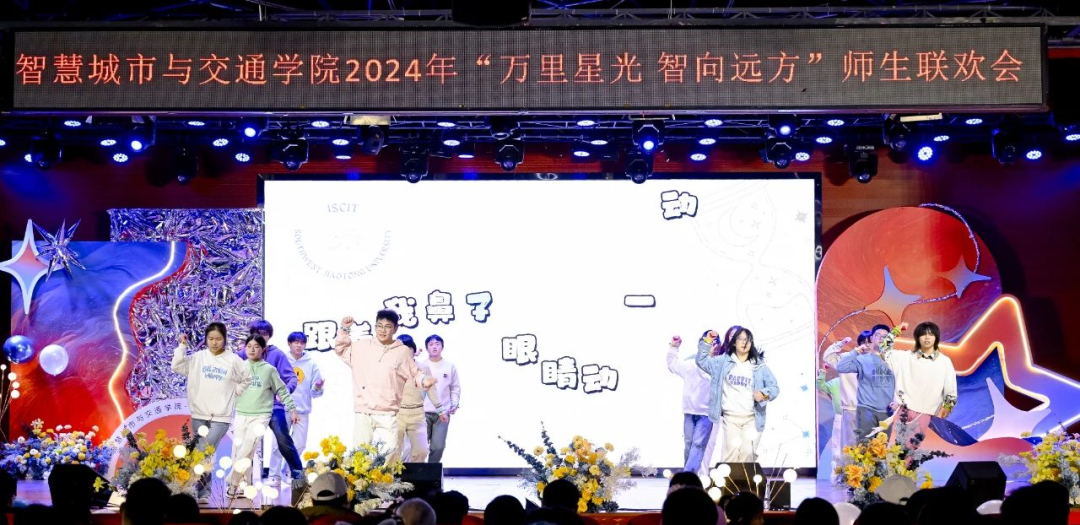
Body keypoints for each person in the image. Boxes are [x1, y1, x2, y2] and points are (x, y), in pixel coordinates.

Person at [335, 310, 437, 452]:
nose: (383, 330)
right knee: (359, 453)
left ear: (395, 329)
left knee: (390, 451)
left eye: (388, 326)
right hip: (363, 409)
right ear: (375, 327)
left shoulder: (402, 351)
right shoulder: (361, 346)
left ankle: (388, 467)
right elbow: (341, 349)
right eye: (379, 326)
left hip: (388, 411)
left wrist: (424, 380)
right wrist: (344, 329)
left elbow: (414, 373)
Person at [171, 323, 250, 501]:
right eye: (211, 339)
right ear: (206, 339)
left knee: (203, 451)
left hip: (221, 417)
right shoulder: (198, 358)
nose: (214, 342)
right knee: (205, 454)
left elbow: (247, 379)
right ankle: (203, 492)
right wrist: (182, 346)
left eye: (218, 339)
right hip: (199, 415)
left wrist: (235, 392)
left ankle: (189, 488)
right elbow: (177, 366)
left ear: (225, 339)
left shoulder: (233, 360)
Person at [228, 334, 298, 497]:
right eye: (249, 346)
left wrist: (292, 409)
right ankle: (245, 486)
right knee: (239, 450)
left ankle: (232, 481)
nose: (252, 350)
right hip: (241, 414)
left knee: (247, 448)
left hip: (261, 415)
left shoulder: (269, 370)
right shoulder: (239, 367)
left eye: (256, 347)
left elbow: (282, 390)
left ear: (263, 349)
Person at [696, 326, 779, 462]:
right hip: (731, 418)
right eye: (740, 339)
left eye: (748, 339)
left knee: (747, 453)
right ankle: (728, 477)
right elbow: (702, 361)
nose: (744, 342)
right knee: (730, 455)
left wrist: (764, 394)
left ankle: (745, 476)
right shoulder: (722, 362)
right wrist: (707, 340)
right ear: (734, 342)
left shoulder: (759, 366)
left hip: (752, 418)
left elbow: (774, 388)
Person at [243, 320, 306, 488]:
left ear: (269, 336)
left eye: (264, 333)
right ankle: (241, 482)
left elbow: (291, 377)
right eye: (257, 333)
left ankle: (299, 478)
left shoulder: (276, 355)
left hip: (273, 407)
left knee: (284, 440)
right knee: (245, 445)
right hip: (250, 408)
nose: (261, 336)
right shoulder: (244, 354)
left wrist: (284, 393)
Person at [267, 331, 325, 487]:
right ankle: (273, 475)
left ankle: (287, 470)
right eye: (295, 342)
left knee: (299, 444)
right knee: (277, 444)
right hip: (282, 408)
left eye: (302, 342)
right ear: (289, 344)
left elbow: (315, 391)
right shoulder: (282, 359)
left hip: (302, 409)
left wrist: (318, 387)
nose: (299, 345)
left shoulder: (311, 363)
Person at [881, 322, 958, 433]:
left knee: (915, 442)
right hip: (903, 410)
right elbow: (884, 351)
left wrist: (947, 407)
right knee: (899, 442)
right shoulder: (904, 357)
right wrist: (895, 331)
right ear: (917, 337)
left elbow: (950, 387)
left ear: (936, 337)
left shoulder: (944, 362)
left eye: (931, 334)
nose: (927, 337)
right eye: (923, 334)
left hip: (927, 413)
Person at [668, 331, 724, 475]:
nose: (712, 345)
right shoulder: (690, 362)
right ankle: (690, 477)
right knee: (688, 446)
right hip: (689, 411)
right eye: (708, 341)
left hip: (706, 414)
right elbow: (673, 365)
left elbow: (707, 375)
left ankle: (688, 476)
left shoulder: (718, 365)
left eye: (715, 342)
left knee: (698, 445)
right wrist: (673, 347)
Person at [836, 325, 896, 442]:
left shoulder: (893, 360)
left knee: (881, 449)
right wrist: (856, 351)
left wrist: (897, 401)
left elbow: (900, 382)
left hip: (887, 411)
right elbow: (841, 367)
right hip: (866, 410)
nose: (881, 338)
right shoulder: (862, 359)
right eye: (878, 335)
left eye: (885, 336)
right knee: (864, 448)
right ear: (872, 338)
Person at [422, 334, 460, 464]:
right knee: (420, 447)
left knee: (438, 446)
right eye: (431, 344)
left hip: (442, 413)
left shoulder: (449, 366)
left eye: (437, 344)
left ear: (442, 347)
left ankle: (431, 472)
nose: (434, 347)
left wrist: (454, 403)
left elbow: (455, 387)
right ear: (427, 348)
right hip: (422, 412)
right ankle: (419, 472)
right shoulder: (421, 366)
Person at [394, 334, 432, 463]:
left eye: (409, 349)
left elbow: (431, 389)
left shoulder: (424, 368)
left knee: (421, 451)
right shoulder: (392, 367)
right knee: (393, 450)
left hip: (417, 414)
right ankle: (394, 474)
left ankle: (413, 474)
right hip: (397, 413)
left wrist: (440, 409)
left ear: (413, 350)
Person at [822, 334, 860, 453]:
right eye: (865, 342)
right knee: (838, 450)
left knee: (861, 451)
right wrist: (841, 343)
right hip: (844, 413)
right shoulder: (849, 357)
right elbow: (828, 357)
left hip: (864, 414)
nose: (867, 346)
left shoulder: (876, 361)